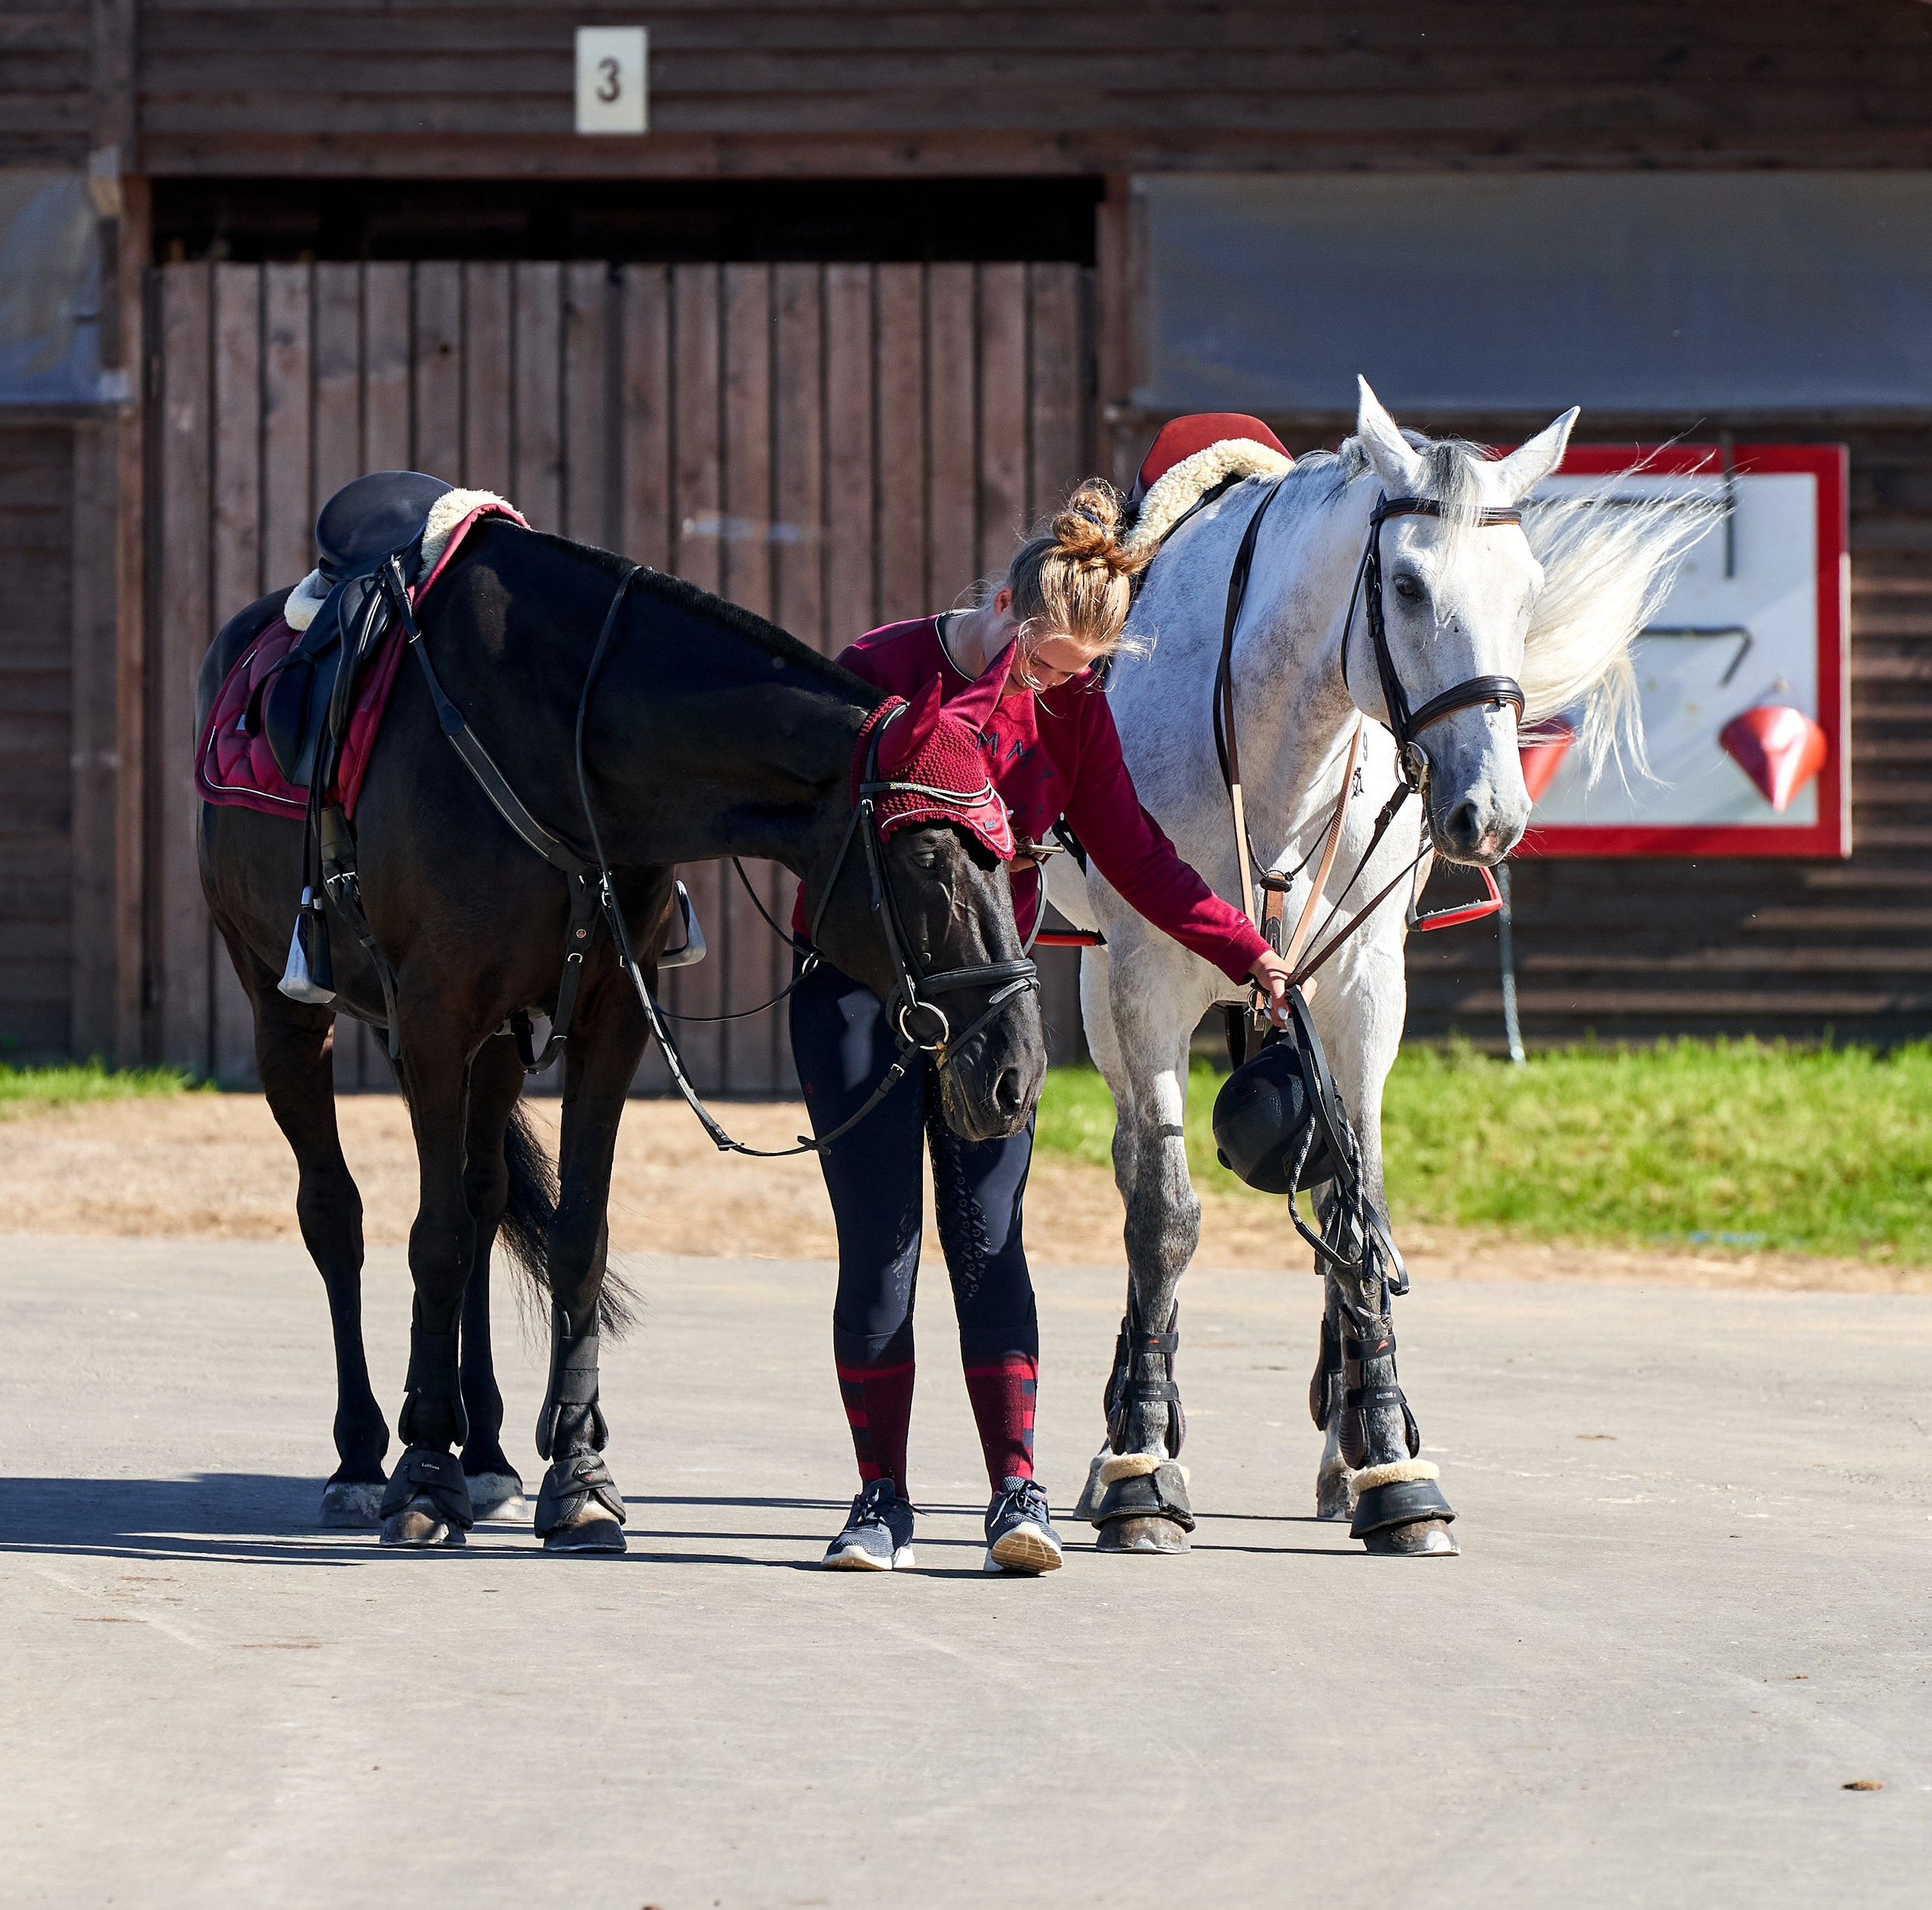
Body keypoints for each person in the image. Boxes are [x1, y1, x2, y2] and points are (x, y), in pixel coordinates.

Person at [790, 481, 1294, 1575]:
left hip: (988, 1003)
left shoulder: (1074, 710)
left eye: (1090, 670)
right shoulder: (880, 667)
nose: (1070, 686)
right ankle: (879, 1501)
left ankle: (1015, 1490)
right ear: (1010, 615)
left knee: (988, 1242)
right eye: (1055, 661)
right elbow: (794, 814)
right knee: (878, 1251)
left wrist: (1243, 948)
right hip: (858, 988)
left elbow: (1138, 857)